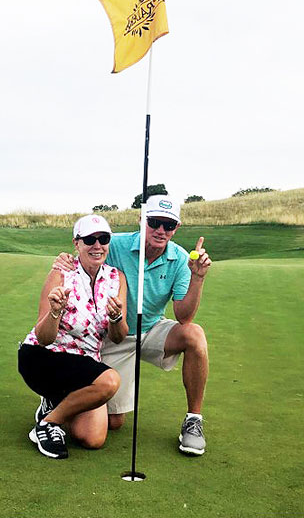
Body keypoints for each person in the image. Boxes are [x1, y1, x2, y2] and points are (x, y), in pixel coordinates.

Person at [54, 195, 212, 456]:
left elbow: (184, 317)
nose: (161, 230)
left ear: (177, 228)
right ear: (142, 220)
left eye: (168, 224)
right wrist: (65, 259)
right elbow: (86, 254)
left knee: (194, 334)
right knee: (114, 423)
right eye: (154, 222)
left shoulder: (182, 259)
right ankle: (58, 399)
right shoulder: (114, 244)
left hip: (151, 330)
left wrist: (197, 278)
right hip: (115, 334)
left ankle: (193, 421)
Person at [18, 214, 128, 459]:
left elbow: (119, 336)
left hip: (84, 363)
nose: (97, 245)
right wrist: (55, 312)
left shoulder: (116, 278)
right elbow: (43, 337)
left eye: (103, 239)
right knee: (109, 381)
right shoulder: (61, 273)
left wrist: (115, 318)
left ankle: (54, 402)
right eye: (89, 239)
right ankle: (48, 424)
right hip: (44, 356)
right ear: (76, 243)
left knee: (93, 438)